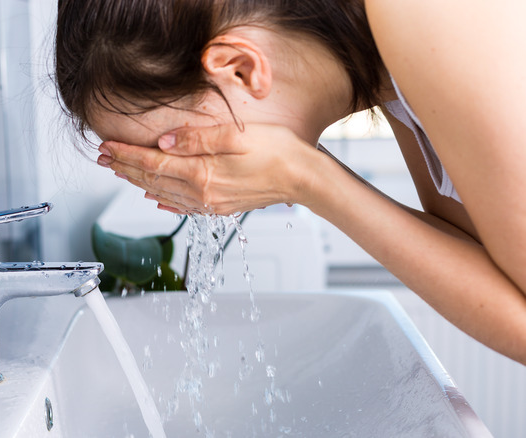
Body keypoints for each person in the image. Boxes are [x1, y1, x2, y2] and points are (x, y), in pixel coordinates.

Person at [54, 0, 526, 365]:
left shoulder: (421, 20)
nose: (181, 177)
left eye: (171, 146)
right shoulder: (386, 63)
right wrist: (305, 170)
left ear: (240, 68)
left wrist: (305, 176)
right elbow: (484, 257)